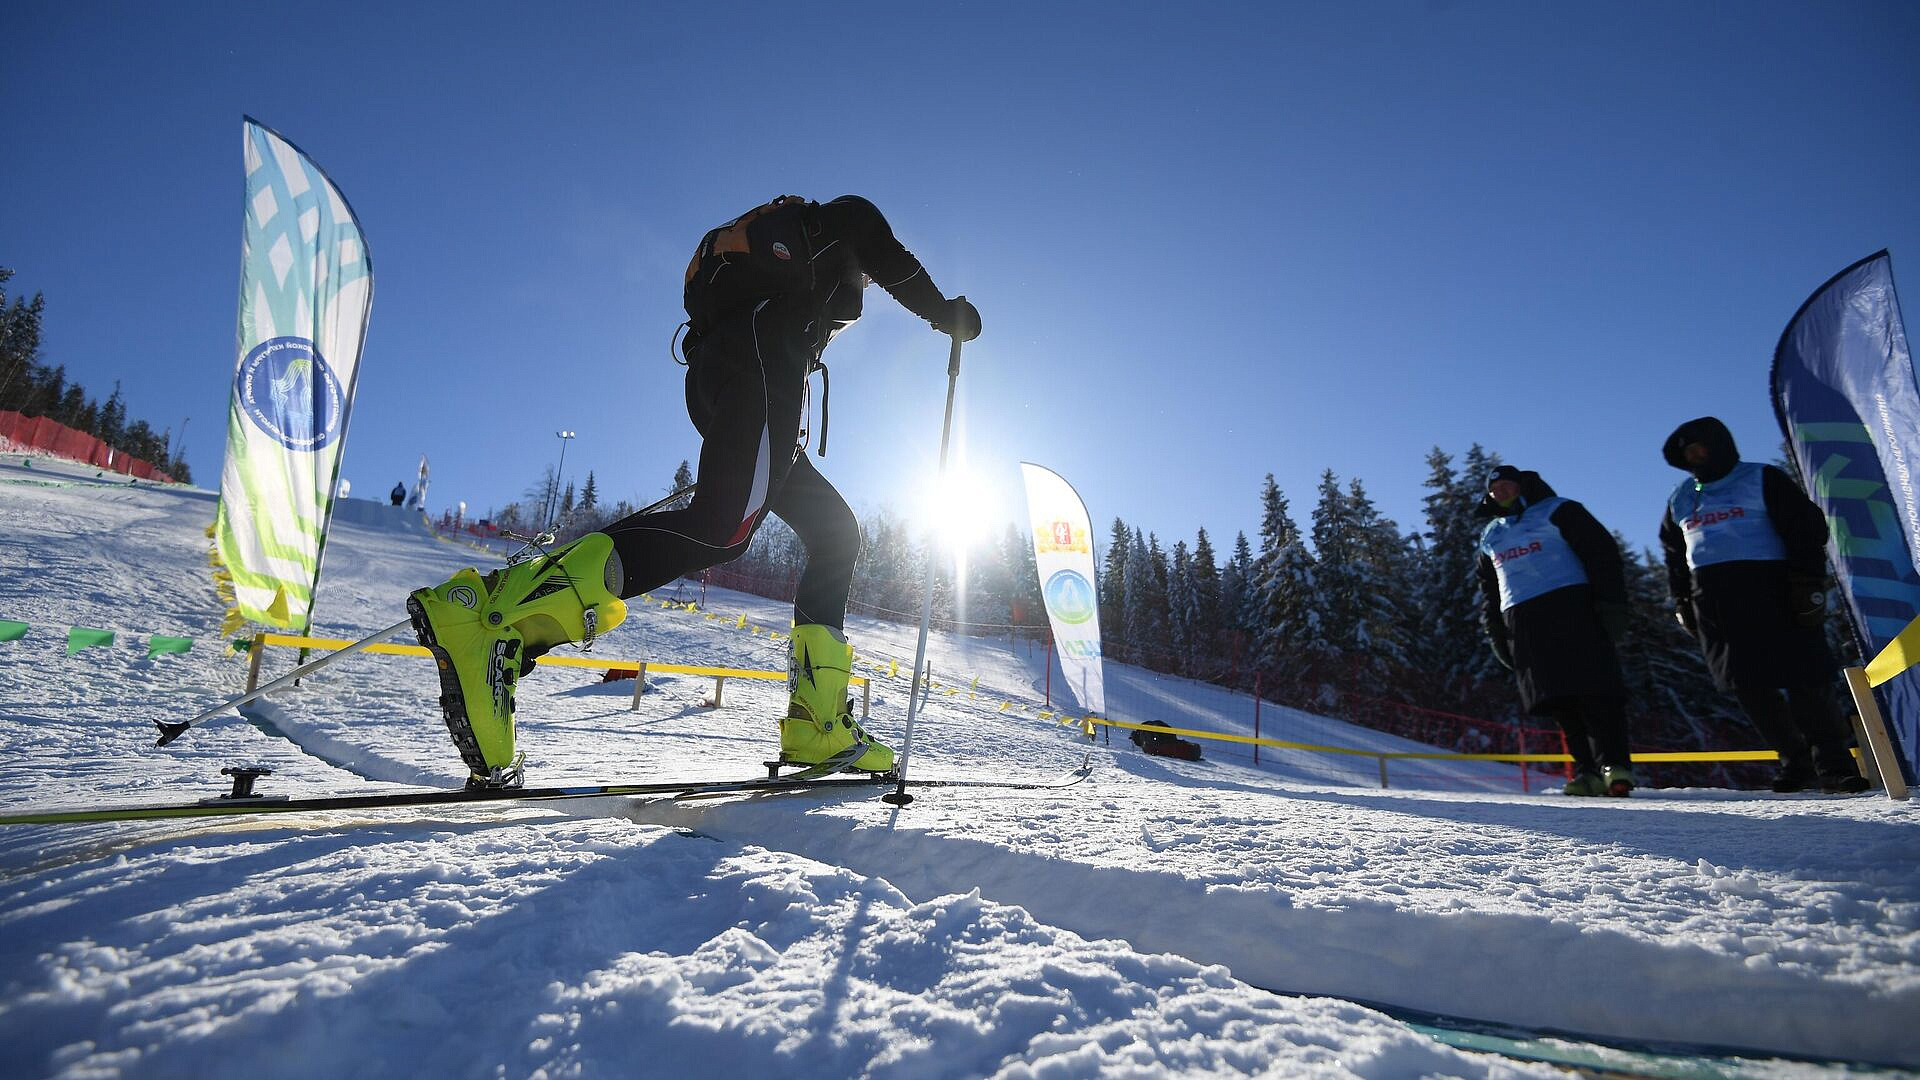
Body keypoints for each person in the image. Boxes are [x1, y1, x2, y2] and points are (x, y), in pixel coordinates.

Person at [407, 195, 979, 787]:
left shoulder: (789, 255)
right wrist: (945, 312)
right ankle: (496, 620)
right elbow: (882, 248)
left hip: (726, 372)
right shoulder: (846, 221)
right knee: (722, 527)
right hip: (761, 367)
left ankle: (819, 724)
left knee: (834, 531)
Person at [1659, 417, 1869, 795]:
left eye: (1701, 448)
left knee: (1806, 678)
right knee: (1747, 686)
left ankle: (1834, 765)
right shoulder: (1681, 497)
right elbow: (1674, 555)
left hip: (1775, 589)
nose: (1695, 456)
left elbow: (1805, 529)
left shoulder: (1762, 478)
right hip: (1714, 602)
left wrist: (1807, 583)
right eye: (1687, 453)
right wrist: (1682, 600)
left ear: (1719, 445)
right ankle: (1795, 763)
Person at [1476, 465, 1637, 796]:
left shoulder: (1558, 510)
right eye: (1495, 489)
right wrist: (1496, 632)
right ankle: (1587, 771)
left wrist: (1611, 603)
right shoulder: (1491, 534)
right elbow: (1489, 590)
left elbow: (1600, 552)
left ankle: (1614, 766)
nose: (1501, 492)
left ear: (1522, 485)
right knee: (1557, 697)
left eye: (1507, 485)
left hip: (1572, 605)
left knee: (1595, 688)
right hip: (1522, 617)